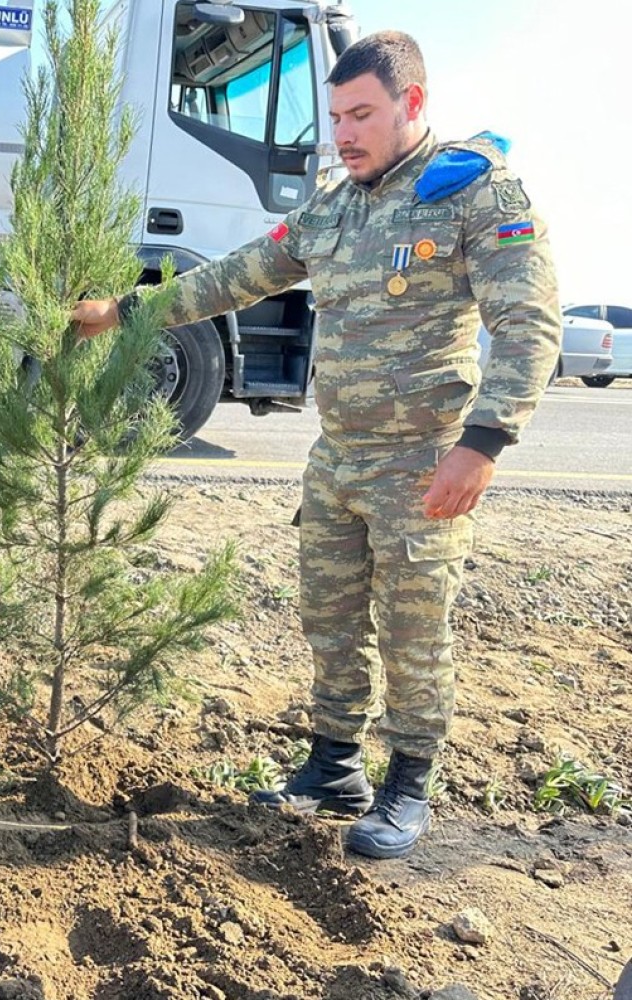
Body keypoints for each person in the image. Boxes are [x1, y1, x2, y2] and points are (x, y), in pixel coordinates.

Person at [73, 31, 559, 859]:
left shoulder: (478, 194)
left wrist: (481, 444)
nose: (344, 133)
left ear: (413, 102)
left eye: (362, 113)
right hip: (336, 459)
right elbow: (232, 277)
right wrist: (124, 309)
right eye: (335, 117)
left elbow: (529, 326)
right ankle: (334, 767)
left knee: (413, 630)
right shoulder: (333, 208)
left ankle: (409, 784)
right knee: (330, 621)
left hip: (423, 460)